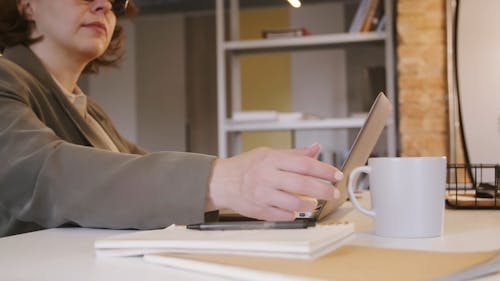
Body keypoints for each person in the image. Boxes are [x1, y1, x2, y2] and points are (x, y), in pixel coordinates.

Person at [0, 0, 343, 237]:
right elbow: (44, 173)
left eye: (116, 2)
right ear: (26, 4)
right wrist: (227, 181)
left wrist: (263, 193)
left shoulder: (89, 111)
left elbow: (141, 172)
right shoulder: (4, 77)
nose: (104, 4)